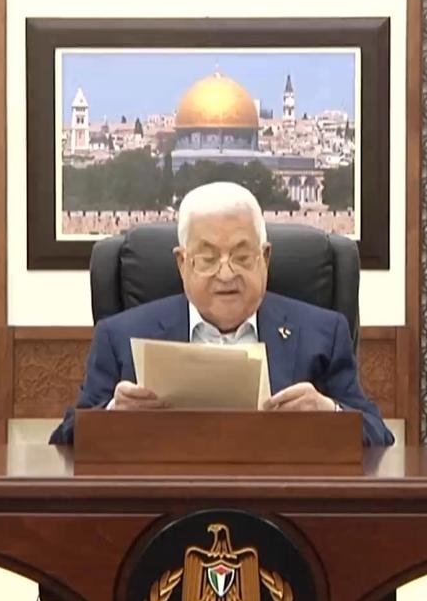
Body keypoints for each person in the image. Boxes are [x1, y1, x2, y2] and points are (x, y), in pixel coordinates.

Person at [48, 182, 394, 446]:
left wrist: (329, 413)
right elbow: (65, 440)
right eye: (207, 258)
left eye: (242, 257)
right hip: (163, 506)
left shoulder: (323, 333)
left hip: (281, 505)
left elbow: (378, 437)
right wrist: (112, 416)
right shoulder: (120, 336)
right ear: (182, 263)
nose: (226, 274)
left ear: (265, 259)